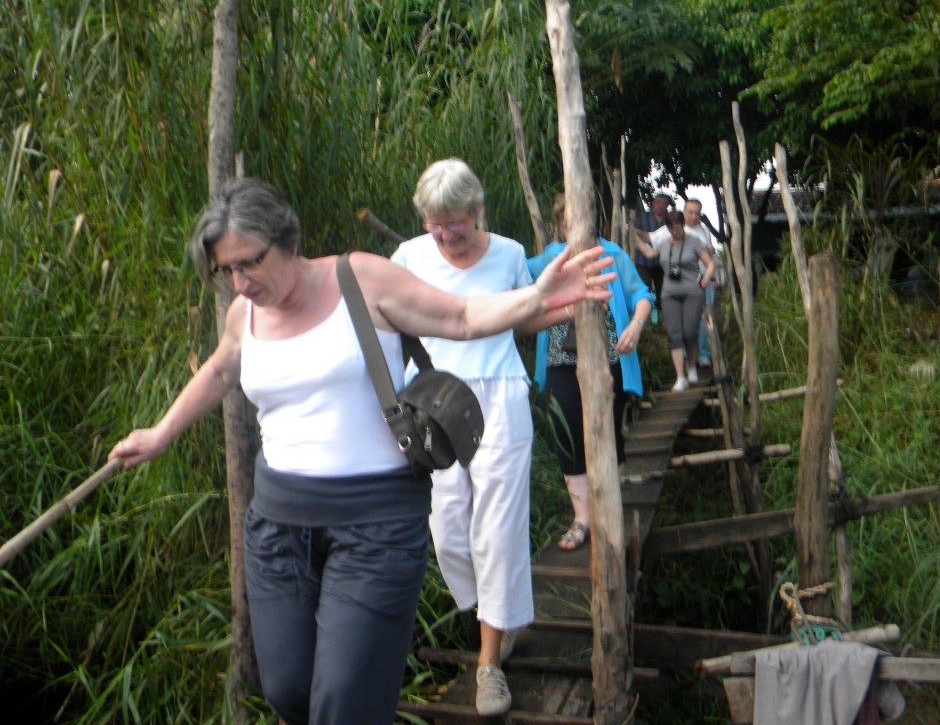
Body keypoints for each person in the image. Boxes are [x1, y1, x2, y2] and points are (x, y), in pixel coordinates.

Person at [107, 177, 615, 725]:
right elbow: (222, 368)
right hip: (278, 525)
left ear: (286, 240)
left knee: (345, 700)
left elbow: (460, 317)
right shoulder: (243, 314)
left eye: (248, 263)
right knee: (286, 689)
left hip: (375, 523)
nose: (239, 282)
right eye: (225, 271)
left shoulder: (360, 277)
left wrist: (539, 297)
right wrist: (161, 433)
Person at [390, 158, 566, 717]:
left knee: (497, 528)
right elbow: (386, 318)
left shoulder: (511, 253)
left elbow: (522, 320)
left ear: (476, 211)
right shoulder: (409, 258)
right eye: (434, 224)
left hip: (499, 397)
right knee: (448, 531)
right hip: (434, 401)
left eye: (455, 224)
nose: (444, 236)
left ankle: (490, 661)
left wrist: (559, 303)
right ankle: (498, 615)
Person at [527, 193, 653, 551]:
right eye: (570, 218)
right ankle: (582, 519)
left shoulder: (613, 254)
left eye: (584, 214)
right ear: (560, 224)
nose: (579, 222)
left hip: (609, 360)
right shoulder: (549, 259)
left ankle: (607, 509)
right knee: (568, 436)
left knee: (607, 433)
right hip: (559, 364)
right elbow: (513, 275)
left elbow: (641, 294)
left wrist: (637, 325)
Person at [634, 208, 714, 392]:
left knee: (689, 332)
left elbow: (709, 264)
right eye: (671, 229)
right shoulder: (664, 243)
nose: (675, 232)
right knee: (674, 334)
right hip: (669, 294)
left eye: (677, 229)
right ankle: (680, 376)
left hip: (692, 293)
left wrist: (704, 280)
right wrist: (632, 234)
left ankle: (692, 366)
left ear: (682, 225)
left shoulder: (694, 241)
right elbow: (648, 253)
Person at [681, 198, 716, 368]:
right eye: (690, 212)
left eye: (697, 213)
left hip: (704, 278)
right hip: (684, 280)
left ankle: (704, 355)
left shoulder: (704, 231)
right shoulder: (676, 230)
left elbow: (711, 254)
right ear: (684, 212)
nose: (693, 216)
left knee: (704, 319)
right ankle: (687, 358)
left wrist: (711, 251)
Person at [631, 192, 671, 316]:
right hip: (643, 261)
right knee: (643, 289)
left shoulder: (670, 221)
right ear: (653, 204)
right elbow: (633, 234)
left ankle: (663, 317)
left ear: (667, 206)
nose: (660, 206)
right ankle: (643, 317)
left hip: (662, 263)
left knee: (664, 291)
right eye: (658, 203)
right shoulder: (642, 217)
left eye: (664, 204)